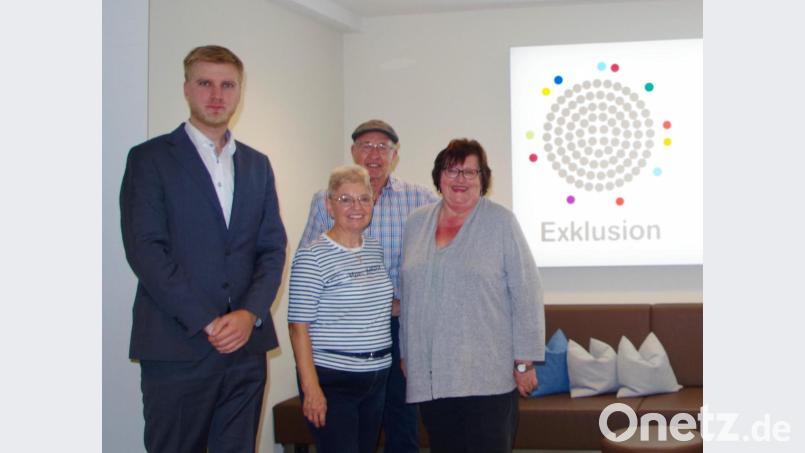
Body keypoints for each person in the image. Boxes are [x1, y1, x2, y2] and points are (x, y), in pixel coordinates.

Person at [119, 45, 287, 452]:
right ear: (186, 89)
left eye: (227, 85)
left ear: (239, 92)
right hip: (178, 347)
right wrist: (208, 321)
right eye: (205, 83)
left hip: (246, 349)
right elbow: (145, 250)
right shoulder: (150, 159)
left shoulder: (257, 164)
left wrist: (249, 314)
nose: (217, 94)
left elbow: (271, 248)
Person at [299, 119, 437, 453]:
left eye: (382, 147)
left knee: (401, 422)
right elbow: (308, 269)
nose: (373, 154)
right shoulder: (324, 200)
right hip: (340, 336)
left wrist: (412, 305)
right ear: (353, 152)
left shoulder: (420, 199)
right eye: (365, 145)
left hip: (396, 327)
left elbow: (441, 257)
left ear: (395, 155)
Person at [400, 138, 545, 453]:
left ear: (483, 179)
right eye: (452, 171)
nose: (460, 179)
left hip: (486, 375)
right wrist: (406, 354)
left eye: (469, 172)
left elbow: (527, 291)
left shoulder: (501, 222)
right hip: (433, 375)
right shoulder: (415, 223)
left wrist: (524, 362)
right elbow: (408, 295)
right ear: (439, 176)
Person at [289, 165, 394, 453]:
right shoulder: (312, 256)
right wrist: (311, 390)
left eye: (363, 198)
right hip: (334, 380)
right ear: (329, 205)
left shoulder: (374, 248)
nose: (356, 207)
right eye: (345, 199)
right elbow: (298, 328)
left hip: (376, 376)